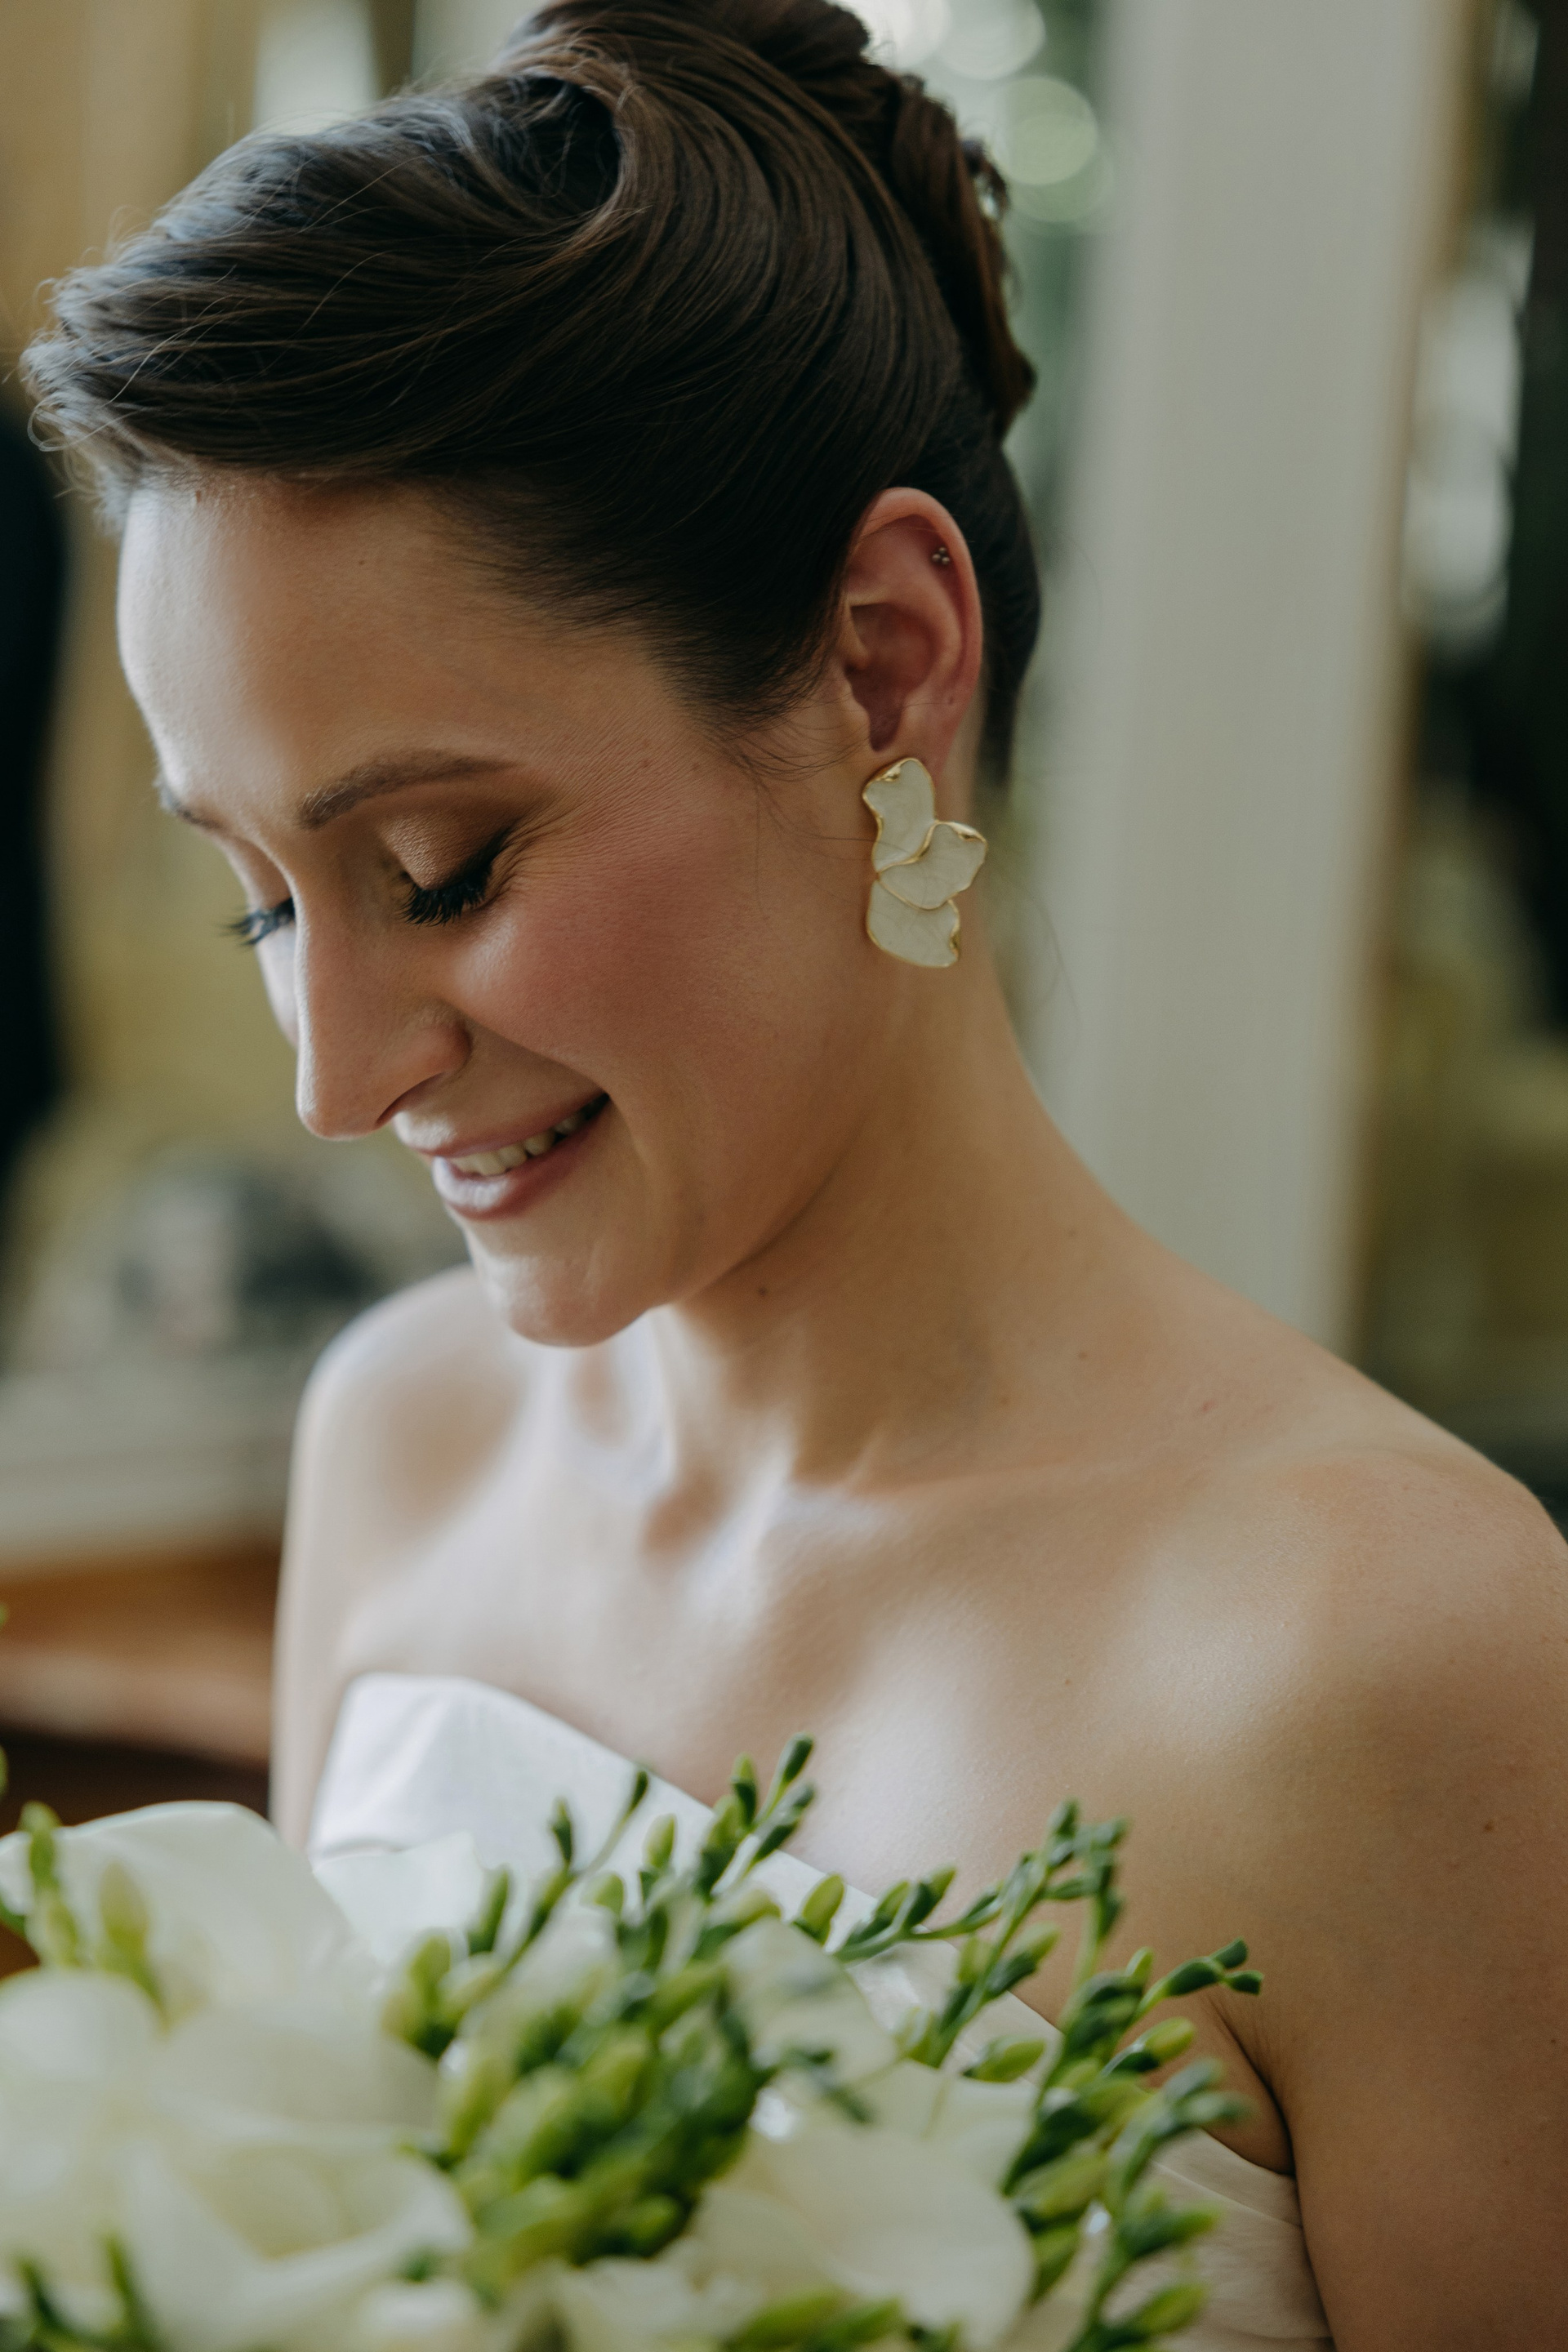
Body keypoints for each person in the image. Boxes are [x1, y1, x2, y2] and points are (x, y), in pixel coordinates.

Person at [24, 3, 1568, 2341]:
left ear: (880, 666)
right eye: (260, 900)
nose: (335, 1078)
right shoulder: (403, 1446)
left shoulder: (1403, 1662)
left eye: (439, 869)